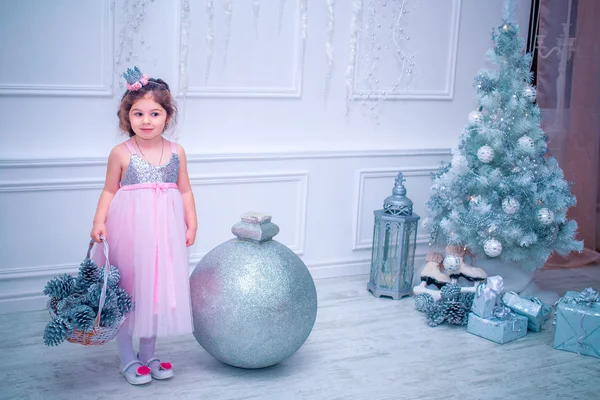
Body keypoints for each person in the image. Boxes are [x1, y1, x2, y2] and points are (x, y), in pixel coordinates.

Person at [90, 66, 197, 385]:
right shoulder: (121, 153)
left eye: (155, 113)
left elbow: (186, 190)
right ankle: (126, 356)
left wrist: (191, 223)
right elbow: (110, 190)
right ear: (127, 116)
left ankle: (148, 353)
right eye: (138, 113)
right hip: (128, 232)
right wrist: (98, 221)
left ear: (168, 115)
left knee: (154, 292)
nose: (146, 120)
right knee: (127, 292)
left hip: (164, 236)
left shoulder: (177, 152)